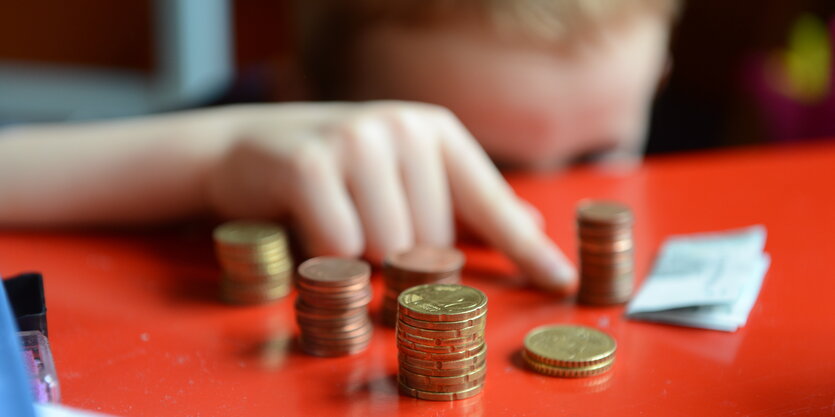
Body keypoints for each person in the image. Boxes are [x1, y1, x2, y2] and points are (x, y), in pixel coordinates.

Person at [0, 0, 680, 295]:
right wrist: (212, 155)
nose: (530, 218)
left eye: (596, 154)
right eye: (487, 166)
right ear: (301, 99)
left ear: (659, 78)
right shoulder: (245, 133)